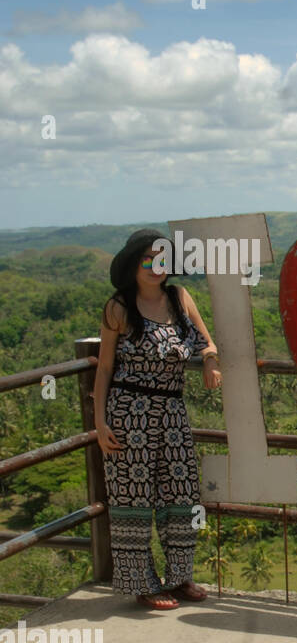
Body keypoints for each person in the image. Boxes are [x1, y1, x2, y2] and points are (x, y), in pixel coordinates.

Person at [94, 228, 223, 610]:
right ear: (135, 263)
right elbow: (103, 369)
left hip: (172, 411)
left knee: (181, 495)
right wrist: (100, 424)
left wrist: (211, 363)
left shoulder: (180, 298)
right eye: (148, 259)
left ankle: (180, 576)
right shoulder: (118, 307)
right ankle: (143, 585)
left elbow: (206, 341)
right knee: (132, 500)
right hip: (128, 413)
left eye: (162, 259)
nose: (156, 267)